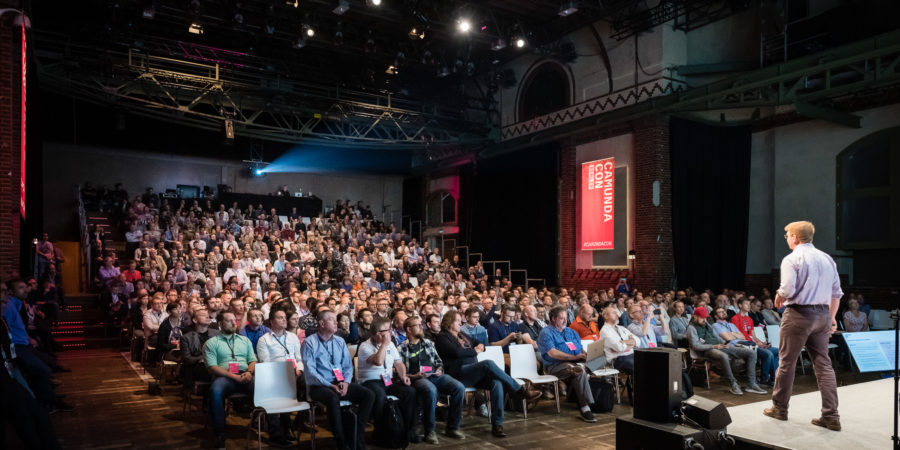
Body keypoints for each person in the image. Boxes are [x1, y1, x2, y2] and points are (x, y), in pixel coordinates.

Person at [763, 221, 843, 431]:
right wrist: (832, 318)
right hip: (823, 314)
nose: (787, 238)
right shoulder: (827, 259)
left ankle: (779, 409)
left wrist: (780, 293)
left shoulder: (792, 258)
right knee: (824, 365)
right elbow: (836, 294)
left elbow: (788, 289)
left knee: (787, 363)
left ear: (795, 238)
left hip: (799, 314)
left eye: (787, 235)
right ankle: (831, 416)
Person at [434, 310, 541, 438]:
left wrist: (480, 346)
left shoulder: (461, 334)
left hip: (472, 373)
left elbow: (481, 343)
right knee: (488, 363)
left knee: (497, 383)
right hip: (457, 373)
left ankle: (497, 425)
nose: (460, 322)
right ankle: (519, 390)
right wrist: (475, 351)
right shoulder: (442, 337)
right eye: (457, 320)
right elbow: (457, 353)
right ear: (449, 322)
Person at [301, 310, 374, 450]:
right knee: (333, 398)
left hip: (340, 382)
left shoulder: (340, 341)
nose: (336, 323)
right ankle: (341, 441)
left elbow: (347, 366)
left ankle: (357, 433)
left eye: (336, 319)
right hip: (319, 385)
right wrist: (330, 385)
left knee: (368, 394)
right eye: (331, 320)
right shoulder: (309, 343)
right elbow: (310, 372)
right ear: (322, 323)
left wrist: (346, 382)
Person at [397, 316, 466, 443]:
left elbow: (438, 361)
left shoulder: (428, 343)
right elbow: (401, 373)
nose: (421, 327)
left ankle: (453, 427)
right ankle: (430, 431)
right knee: (431, 389)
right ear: (409, 329)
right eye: (417, 325)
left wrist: (439, 369)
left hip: (435, 375)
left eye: (421, 324)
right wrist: (414, 376)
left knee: (459, 387)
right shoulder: (402, 348)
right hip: (417, 378)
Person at [356, 316, 420, 444]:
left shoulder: (391, 344)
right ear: (378, 333)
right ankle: (380, 432)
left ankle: (409, 430)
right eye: (388, 330)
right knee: (380, 395)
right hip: (370, 382)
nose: (391, 332)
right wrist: (384, 345)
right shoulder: (364, 346)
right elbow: (378, 361)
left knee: (410, 392)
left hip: (388, 381)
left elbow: (398, 363)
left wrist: (403, 376)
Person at [203, 311, 257, 448]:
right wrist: (234, 377)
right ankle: (219, 434)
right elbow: (212, 367)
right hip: (225, 377)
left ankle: (273, 429)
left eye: (235, 320)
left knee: (265, 388)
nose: (234, 323)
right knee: (215, 391)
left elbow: (252, 360)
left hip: (246, 375)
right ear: (220, 324)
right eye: (229, 321)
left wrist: (249, 372)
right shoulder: (211, 343)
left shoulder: (244, 340)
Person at [537, 306, 597, 423]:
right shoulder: (546, 333)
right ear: (553, 318)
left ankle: (584, 371)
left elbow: (580, 349)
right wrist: (575, 358)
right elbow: (553, 353)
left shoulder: (570, 331)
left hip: (576, 361)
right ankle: (585, 407)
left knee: (600, 359)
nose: (565, 321)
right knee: (578, 371)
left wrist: (587, 355)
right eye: (561, 318)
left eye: (566, 318)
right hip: (555, 365)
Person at [687, 307, 764, 396]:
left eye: (705, 317)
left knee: (751, 353)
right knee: (724, 356)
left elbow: (716, 337)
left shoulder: (706, 323)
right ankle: (733, 383)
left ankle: (752, 384)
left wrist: (724, 343)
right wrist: (713, 346)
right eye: (702, 317)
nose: (704, 319)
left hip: (718, 347)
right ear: (695, 317)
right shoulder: (691, 328)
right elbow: (696, 346)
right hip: (705, 350)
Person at [256, 309, 304, 447]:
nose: (284, 319)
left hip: (295, 373)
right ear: (271, 321)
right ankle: (278, 433)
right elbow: (266, 364)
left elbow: (299, 358)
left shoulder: (293, 337)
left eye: (285, 317)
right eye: (280, 317)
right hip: (274, 375)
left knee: (310, 385)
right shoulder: (264, 340)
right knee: (277, 390)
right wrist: (285, 374)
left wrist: (299, 370)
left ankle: (295, 424)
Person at [730, 300, 779, 386]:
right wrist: (756, 344)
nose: (748, 305)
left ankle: (772, 377)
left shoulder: (749, 319)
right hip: (745, 345)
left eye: (749, 304)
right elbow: (738, 336)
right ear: (740, 305)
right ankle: (765, 379)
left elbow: (753, 335)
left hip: (754, 344)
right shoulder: (735, 319)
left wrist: (761, 343)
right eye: (746, 303)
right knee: (768, 354)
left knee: (777, 351)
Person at [180, 308, 218, 387]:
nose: (207, 317)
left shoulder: (217, 334)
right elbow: (187, 359)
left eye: (208, 316)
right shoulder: (186, 337)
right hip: (197, 367)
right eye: (203, 315)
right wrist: (204, 358)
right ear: (195, 320)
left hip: (217, 364)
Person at [599, 306, 636, 375]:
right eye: (614, 313)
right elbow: (619, 347)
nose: (617, 315)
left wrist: (623, 343)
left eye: (617, 313)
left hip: (631, 354)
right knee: (639, 367)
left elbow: (637, 341)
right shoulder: (604, 331)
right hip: (618, 359)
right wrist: (630, 343)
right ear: (606, 316)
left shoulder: (621, 328)